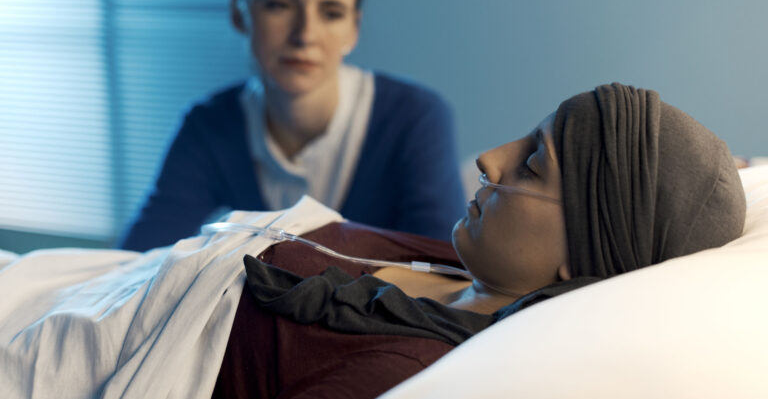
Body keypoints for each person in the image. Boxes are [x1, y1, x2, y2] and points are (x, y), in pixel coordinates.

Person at [212, 83, 746, 398]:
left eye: (533, 165)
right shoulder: (461, 263)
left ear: (584, 253)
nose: (489, 158)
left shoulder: (404, 373)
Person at [117, 0, 465, 251]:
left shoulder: (414, 118)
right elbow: (132, 261)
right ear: (240, 12)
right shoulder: (209, 125)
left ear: (353, 30)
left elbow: (446, 276)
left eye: (331, 13)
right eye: (279, 5)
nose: (305, 35)